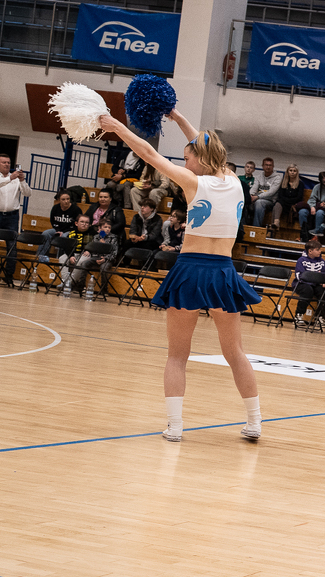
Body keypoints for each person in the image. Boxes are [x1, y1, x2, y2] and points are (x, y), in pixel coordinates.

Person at [99, 109, 265, 443]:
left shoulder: (194, 182)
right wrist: (176, 117)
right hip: (223, 272)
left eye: (188, 157)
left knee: (177, 354)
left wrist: (116, 127)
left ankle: (175, 427)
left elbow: (149, 154)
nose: (185, 162)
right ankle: (255, 422)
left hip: (190, 270)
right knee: (235, 352)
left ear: (200, 158)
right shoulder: (235, 181)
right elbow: (205, 144)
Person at [65, 216, 121, 296]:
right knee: (84, 264)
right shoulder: (96, 237)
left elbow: (114, 253)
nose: (107, 229)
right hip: (96, 257)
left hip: (107, 259)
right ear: (100, 228)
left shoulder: (113, 238)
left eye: (109, 227)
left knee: (104, 268)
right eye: (105, 227)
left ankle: (104, 289)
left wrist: (105, 258)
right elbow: (93, 249)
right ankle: (80, 286)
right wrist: (96, 254)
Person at [0, 154, 32, 285]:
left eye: (8, 162)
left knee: (12, 246)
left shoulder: (16, 179)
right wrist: (9, 179)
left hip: (12, 216)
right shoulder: (8, 178)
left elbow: (28, 193)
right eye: (4, 162)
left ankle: (9, 275)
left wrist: (22, 181)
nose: (7, 164)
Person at [34, 190, 81, 265]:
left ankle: (58, 260)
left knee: (63, 237)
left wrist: (63, 232)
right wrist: (58, 230)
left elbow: (77, 224)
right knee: (46, 233)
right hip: (57, 229)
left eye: (68, 199)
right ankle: (40, 257)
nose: (66, 201)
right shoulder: (55, 208)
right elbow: (53, 221)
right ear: (59, 200)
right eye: (63, 199)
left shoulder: (76, 210)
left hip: (70, 230)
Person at [291, 238, 325, 325]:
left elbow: (324, 275)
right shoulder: (301, 260)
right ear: (310, 251)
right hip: (302, 284)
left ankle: (319, 316)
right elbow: (299, 276)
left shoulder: (322, 261)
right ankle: (299, 315)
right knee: (308, 290)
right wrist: (313, 279)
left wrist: (324, 282)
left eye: (320, 249)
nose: (320, 251)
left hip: (316, 284)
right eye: (317, 250)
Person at [269, 164, 305, 233]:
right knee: (277, 205)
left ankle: (273, 228)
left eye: (294, 171)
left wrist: (287, 201)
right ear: (287, 172)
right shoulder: (284, 182)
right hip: (283, 205)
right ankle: (276, 222)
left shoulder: (300, 184)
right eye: (290, 170)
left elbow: (299, 198)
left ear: (297, 173)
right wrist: (285, 201)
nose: (292, 172)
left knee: (278, 204)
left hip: (293, 205)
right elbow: (280, 195)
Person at [250, 157, 280, 226]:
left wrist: (257, 197)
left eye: (270, 165)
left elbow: (271, 192)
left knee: (259, 202)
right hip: (257, 198)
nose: (268, 167)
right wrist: (250, 195)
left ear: (273, 166)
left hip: (270, 201)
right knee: (246, 201)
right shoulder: (258, 177)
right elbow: (254, 188)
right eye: (266, 165)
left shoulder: (278, 177)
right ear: (262, 166)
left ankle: (256, 228)